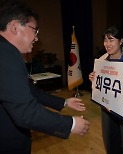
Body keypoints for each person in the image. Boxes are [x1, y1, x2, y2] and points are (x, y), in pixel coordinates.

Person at [0, 1, 89, 153]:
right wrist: (71, 124)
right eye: (35, 30)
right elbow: (26, 113)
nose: (36, 37)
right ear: (15, 27)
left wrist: (65, 102)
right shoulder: (6, 54)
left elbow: (30, 90)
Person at [89, 26, 123, 154]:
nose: (107, 44)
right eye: (105, 40)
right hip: (108, 112)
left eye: (111, 40)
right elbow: (99, 88)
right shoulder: (101, 61)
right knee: (112, 142)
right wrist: (94, 79)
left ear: (120, 41)